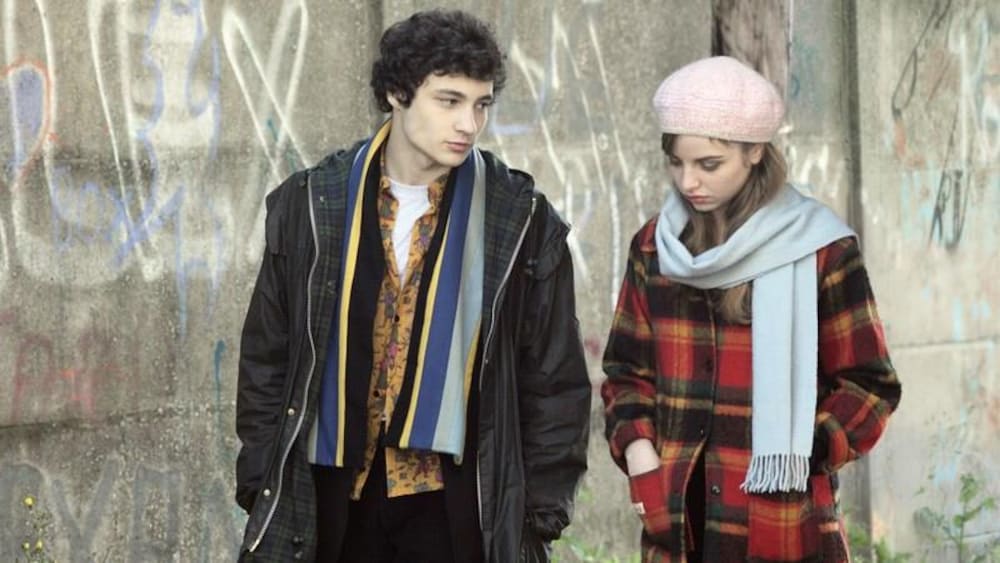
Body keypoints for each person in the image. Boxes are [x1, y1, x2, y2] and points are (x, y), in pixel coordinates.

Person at [235, 9, 591, 562]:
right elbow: (267, 354)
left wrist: (538, 514)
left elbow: (554, 377)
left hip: (454, 501)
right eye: (449, 101)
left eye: (481, 104)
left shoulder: (518, 219)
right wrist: (261, 476)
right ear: (397, 94)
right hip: (333, 493)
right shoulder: (313, 204)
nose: (469, 124)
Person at [600, 56, 901, 562]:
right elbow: (626, 372)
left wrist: (804, 448)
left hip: (780, 525)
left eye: (708, 165)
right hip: (678, 529)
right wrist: (639, 450)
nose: (688, 182)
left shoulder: (820, 249)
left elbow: (871, 386)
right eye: (676, 163)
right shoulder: (655, 248)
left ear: (755, 151)